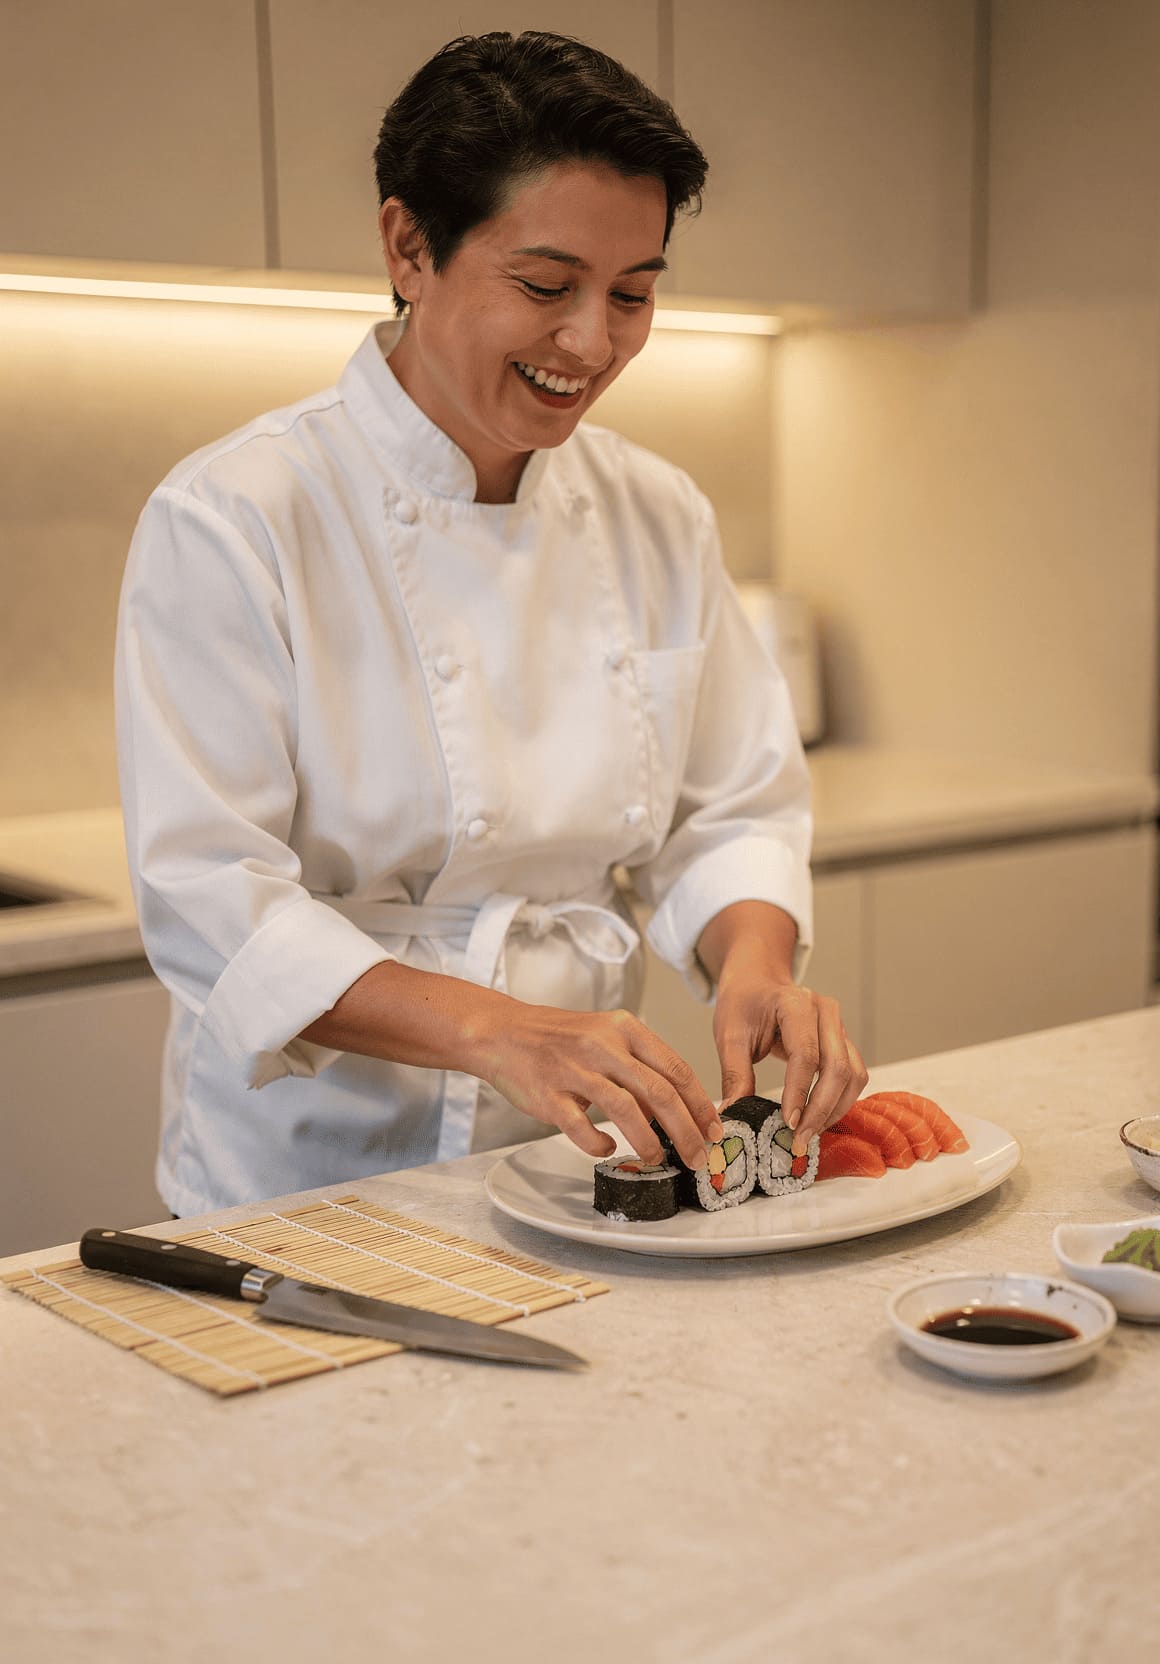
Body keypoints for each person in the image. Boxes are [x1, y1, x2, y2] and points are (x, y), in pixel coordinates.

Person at [115, 30, 867, 1220]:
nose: (593, 343)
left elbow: (728, 808)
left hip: (579, 1158)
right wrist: (504, 1029)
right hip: (306, 1179)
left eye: (634, 294)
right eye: (546, 286)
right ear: (409, 246)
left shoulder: (656, 510)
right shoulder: (237, 515)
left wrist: (756, 965)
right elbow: (213, 900)